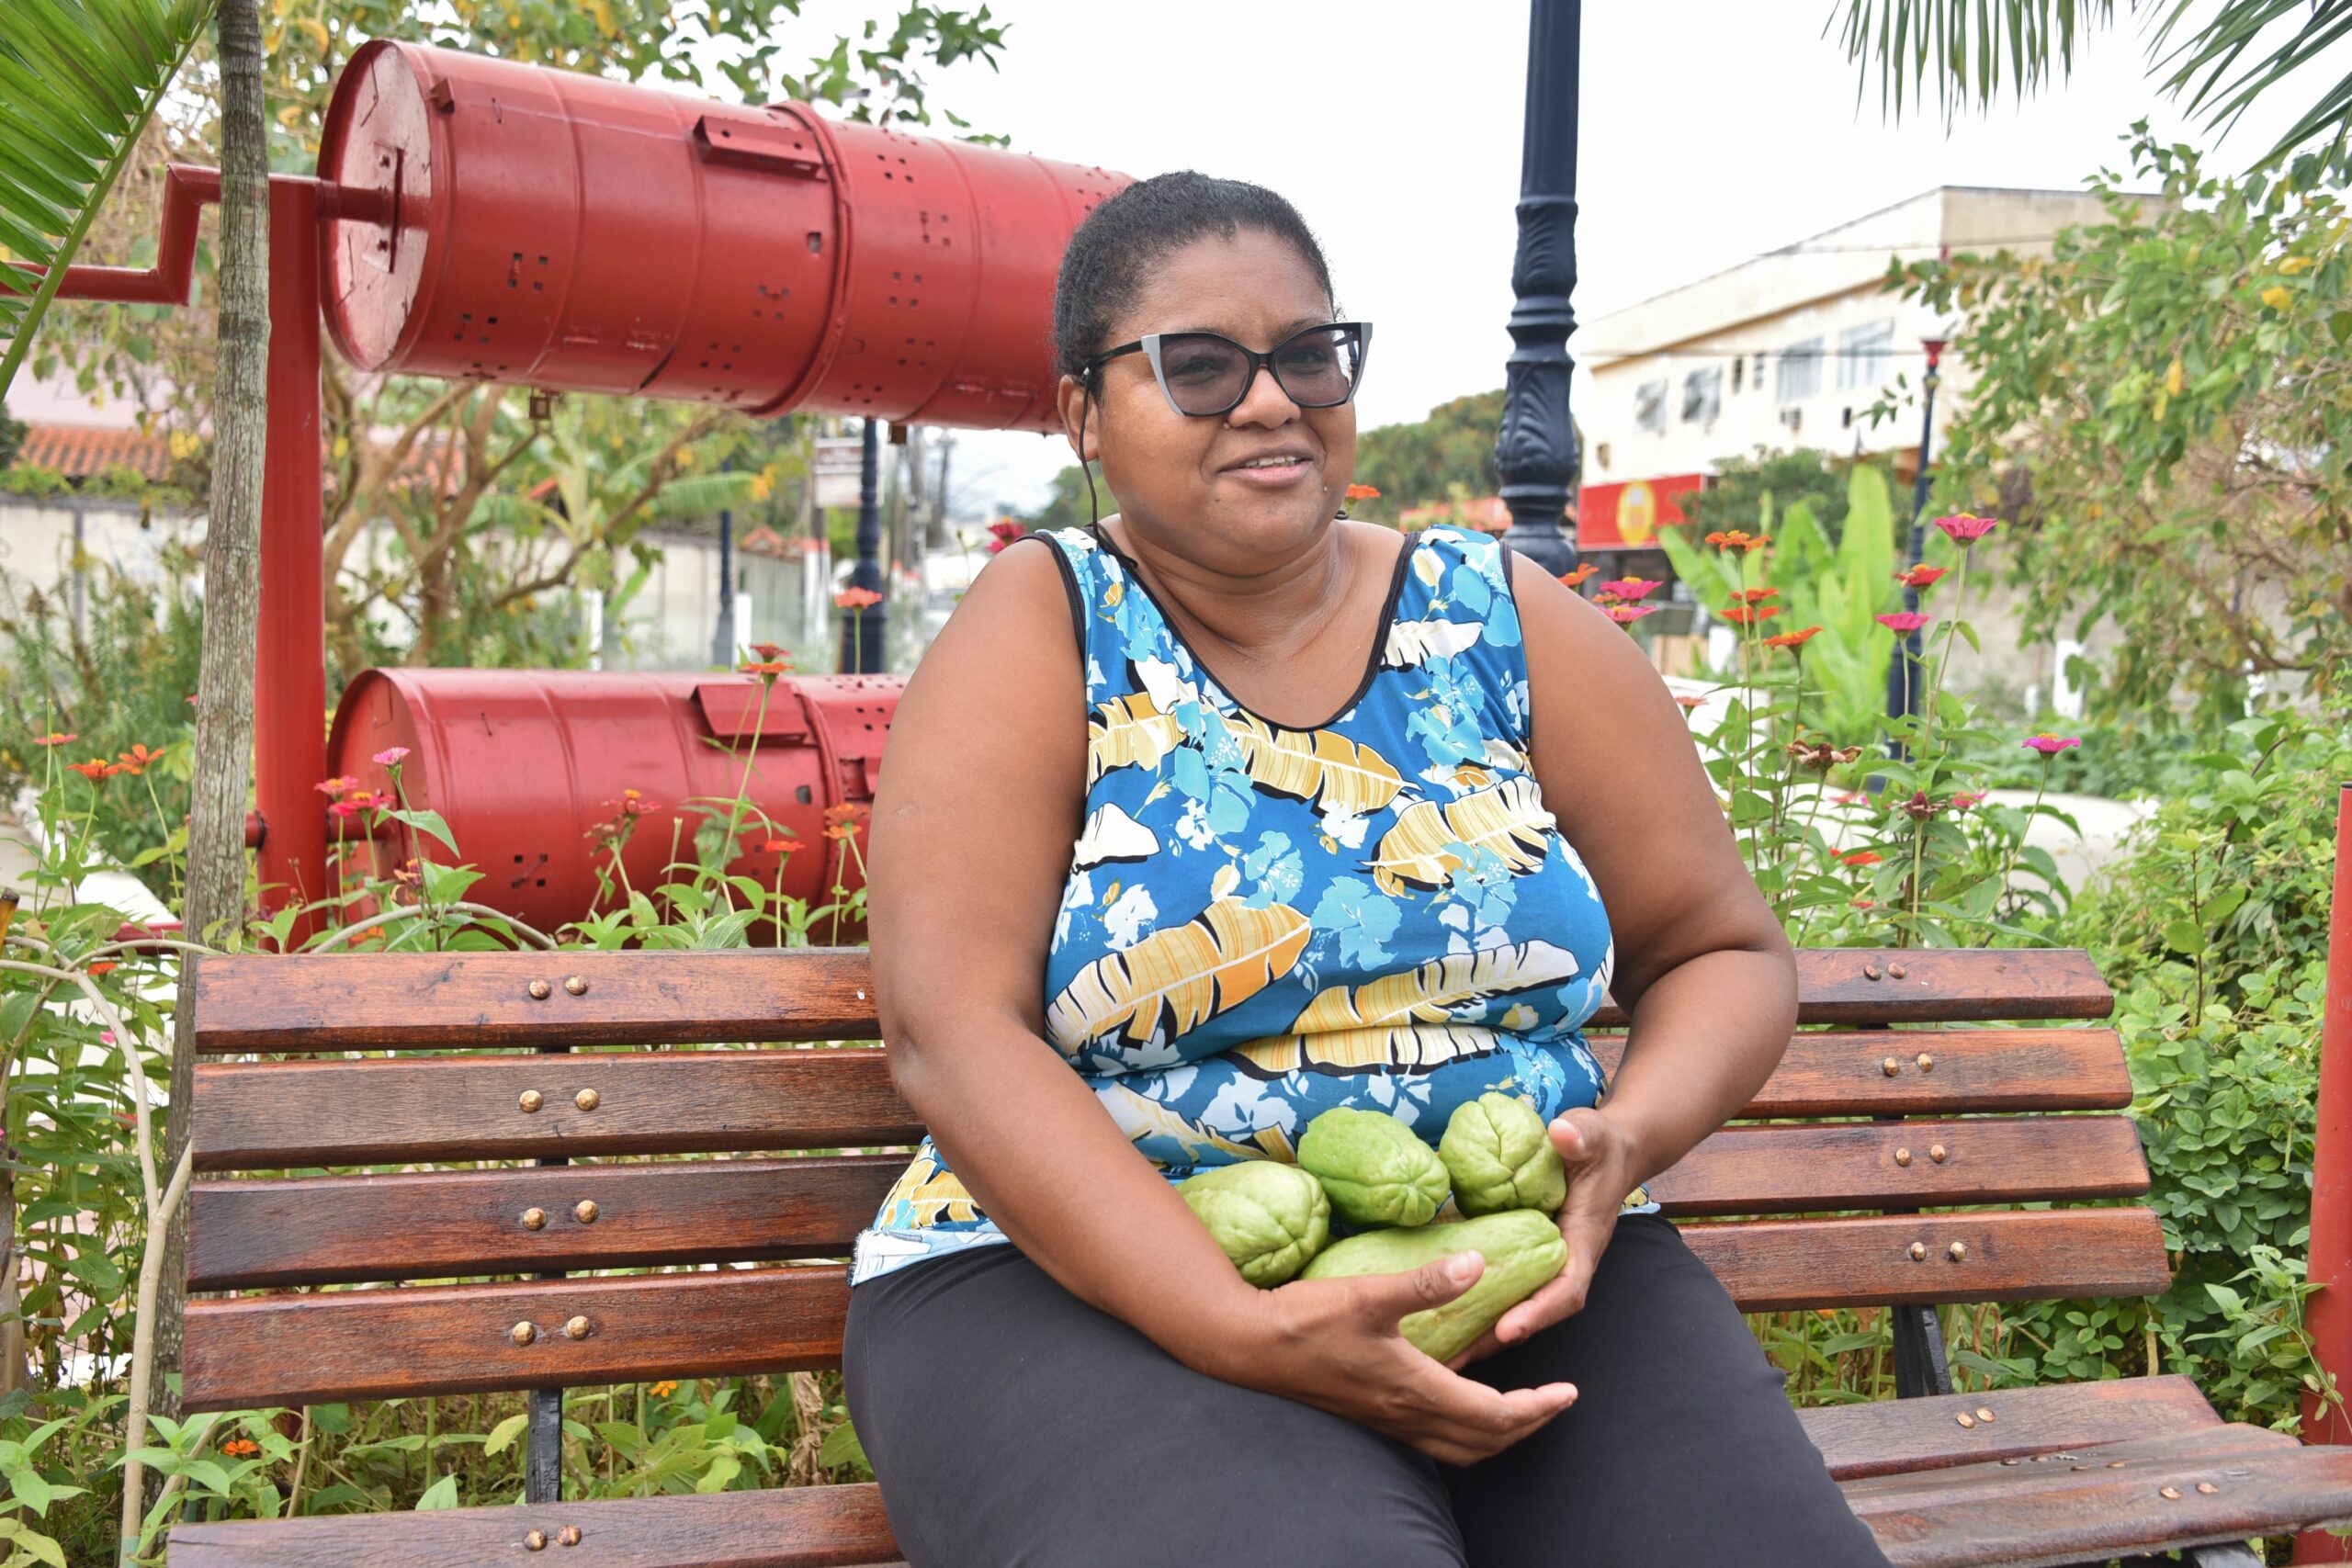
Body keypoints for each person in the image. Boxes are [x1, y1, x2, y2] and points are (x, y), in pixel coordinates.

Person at [842, 171, 1892, 1567]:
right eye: (1199, 366)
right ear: (1085, 410)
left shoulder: (1504, 622)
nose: (1271, 400)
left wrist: (1623, 1144)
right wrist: (1235, 1326)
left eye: (1309, 354)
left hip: (1517, 1251)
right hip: (1078, 1272)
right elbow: (949, 1031)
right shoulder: (1046, 622)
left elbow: (1722, 949)